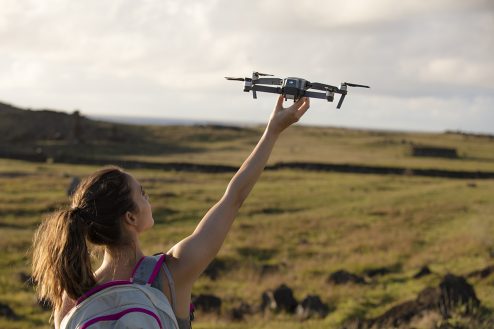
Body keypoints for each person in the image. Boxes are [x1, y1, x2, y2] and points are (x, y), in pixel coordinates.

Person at [31, 95, 310, 328]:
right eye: (141, 193)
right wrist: (273, 132)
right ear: (130, 218)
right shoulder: (172, 274)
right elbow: (233, 198)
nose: (147, 196)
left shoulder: (73, 293)